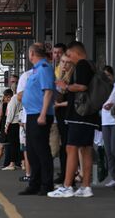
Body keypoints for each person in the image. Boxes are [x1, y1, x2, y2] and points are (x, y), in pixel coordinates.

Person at [49, 41, 99, 198]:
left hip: (79, 115)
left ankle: (67, 186)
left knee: (71, 148)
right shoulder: (91, 65)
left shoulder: (82, 64)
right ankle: (85, 187)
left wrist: (65, 86)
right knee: (85, 150)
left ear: (77, 53)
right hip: (87, 116)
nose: (68, 59)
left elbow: (82, 86)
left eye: (69, 55)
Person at [18, 44, 55, 196]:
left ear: (32, 53)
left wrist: (43, 114)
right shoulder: (36, 70)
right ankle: (35, 183)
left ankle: (46, 184)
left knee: (42, 151)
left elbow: (48, 92)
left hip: (40, 114)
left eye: (29, 53)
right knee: (32, 152)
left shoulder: (44, 68)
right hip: (32, 115)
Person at [101, 65, 115, 188]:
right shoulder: (101, 87)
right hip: (105, 121)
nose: (107, 78)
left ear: (112, 75)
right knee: (108, 151)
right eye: (104, 76)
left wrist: (113, 104)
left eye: (108, 75)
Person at [53, 54, 74, 184]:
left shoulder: (72, 79)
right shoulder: (60, 78)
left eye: (67, 62)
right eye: (62, 62)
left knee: (68, 146)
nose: (64, 65)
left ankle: (69, 178)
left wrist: (59, 104)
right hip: (60, 116)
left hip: (69, 116)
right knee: (63, 146)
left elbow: (74, 100)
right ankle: (65, 175)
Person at [4, 87, 21, 171]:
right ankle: (21, 163)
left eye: (5, 97)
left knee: (13, 145)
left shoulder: (13, 100)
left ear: (8, 96)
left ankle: (12, 163)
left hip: (13, 124)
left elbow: (10, 114)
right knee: (18, 144)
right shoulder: (19, 98)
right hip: (19, 124)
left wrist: (6, 126)